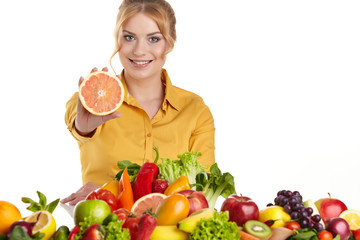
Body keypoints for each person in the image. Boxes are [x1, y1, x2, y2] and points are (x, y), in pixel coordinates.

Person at [61, 0, 215, 205]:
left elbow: (199, 193)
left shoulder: (195, 110)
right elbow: (78, 126)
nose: (139, 51)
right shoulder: (90, 102)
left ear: (169, 43)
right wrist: (83, 128)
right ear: (117, 39)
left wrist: (111, 193)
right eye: (129, 37)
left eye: (153, 39)